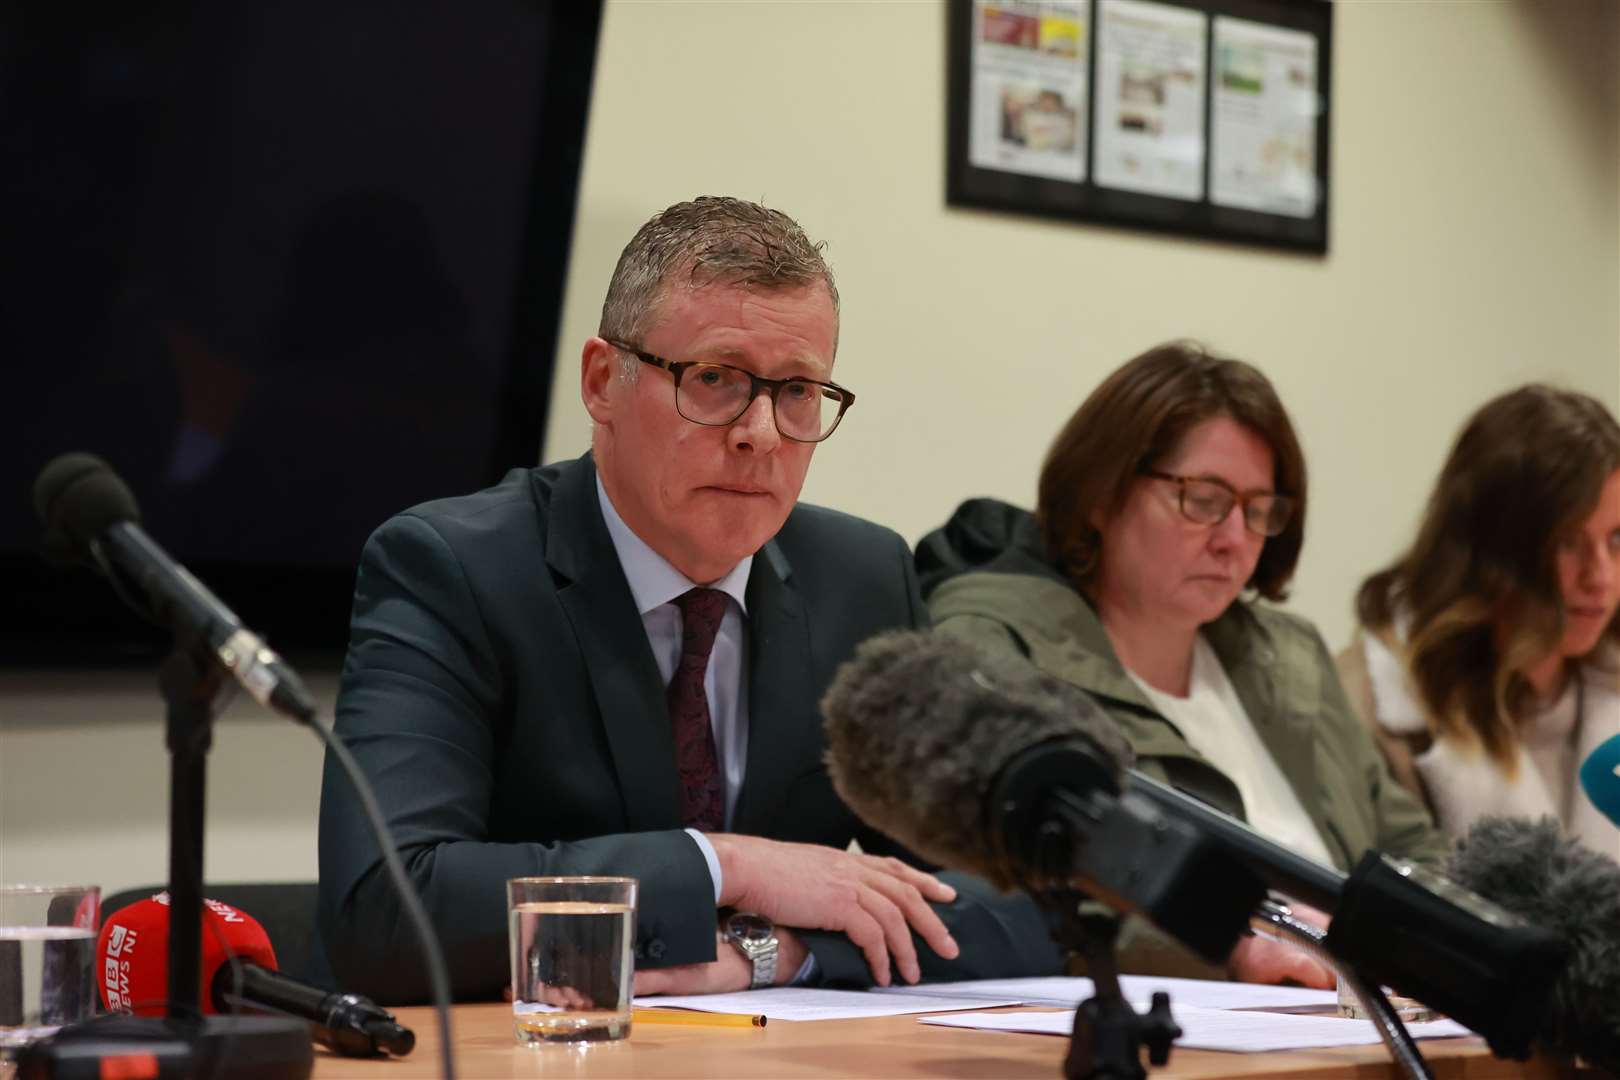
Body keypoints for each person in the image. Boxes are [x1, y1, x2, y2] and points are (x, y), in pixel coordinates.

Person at [317, 197, 1064, 1002]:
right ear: (604, 382)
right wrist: (730, 865)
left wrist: (772, 951)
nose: (763, 434)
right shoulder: (454, 567)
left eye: (799, 392)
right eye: (716, 380)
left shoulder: (862, 577)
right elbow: (385, 915)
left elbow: (1025, 903)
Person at [916, 340, 1448, 986]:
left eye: (1259, 511)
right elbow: (1022, 886)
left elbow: (1413, 854)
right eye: (1204, 499)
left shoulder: (1292, 655)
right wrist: (1232, 949)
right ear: (1099, 493)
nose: (1234, 539)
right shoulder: (995, 645)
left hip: (1362, 1007)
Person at [1338, 385, 1620, 856]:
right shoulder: (1369, 708)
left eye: (1617, 539)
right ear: (1489, 550)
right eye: (1569, 541)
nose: (1601, 577)